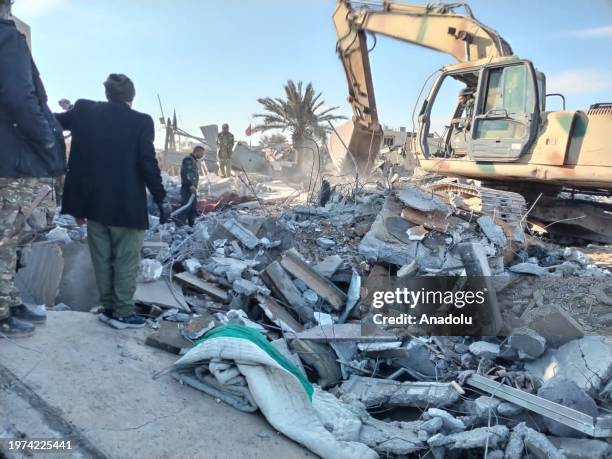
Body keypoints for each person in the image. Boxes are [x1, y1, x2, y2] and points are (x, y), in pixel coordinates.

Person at [56, 74, 172, 330]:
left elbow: (52, 122)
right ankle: (122, 312)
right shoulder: (141, 121)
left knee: (102, 259)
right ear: (131, 96)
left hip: (93, 206)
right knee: (125, 261)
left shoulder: (85, 110)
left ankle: (109, 308)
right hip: (127, 207)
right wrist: (161, 198)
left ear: (108, 93)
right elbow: (147, 162)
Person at [0, 0, 66, 338]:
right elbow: (19, 96)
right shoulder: (5, 36)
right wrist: (46, 139)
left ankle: (8, 300)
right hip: (15, 162)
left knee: (9, 237)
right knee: (7, 237)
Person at [179, 144, 205, 226]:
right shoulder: (188, 159)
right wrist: (190, 185)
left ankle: (191, 227)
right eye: (202, 153)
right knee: (186, 208)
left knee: (192, 209)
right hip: (187, 188)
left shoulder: (193, 161)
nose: (202, 155)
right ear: (197, 151)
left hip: (192, 189)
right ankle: (179, 226)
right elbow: (185, 172)